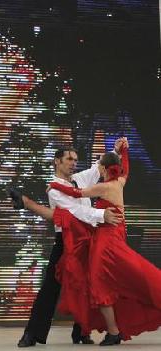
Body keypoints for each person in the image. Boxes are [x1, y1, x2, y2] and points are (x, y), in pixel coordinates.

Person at [45, 141, 161, 345]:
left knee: (100, 283)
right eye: (70, 159)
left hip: (104, 241)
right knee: (126, 276)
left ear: (105, 169)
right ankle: (97, 330)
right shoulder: (120, 182)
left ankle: (113, 331)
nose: (75, 163)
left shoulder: (102, 186)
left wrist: (53, 185)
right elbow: (123, 167)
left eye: (100, 165)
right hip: (110, 237)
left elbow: (75, 194)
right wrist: (122, 150)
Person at [10, 139, 124, 347]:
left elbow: (97, 167)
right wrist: (101, 214)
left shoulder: (79, 179)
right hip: (66, 241)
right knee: (50, 288)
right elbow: (75, 212)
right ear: (57, 161)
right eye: (69, 159)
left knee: (88, 286)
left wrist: (115, 151)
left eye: (75, 160)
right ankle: (31, 334)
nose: (73, 163)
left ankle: (80, 332)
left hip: (87, 239)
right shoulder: (54, 190)